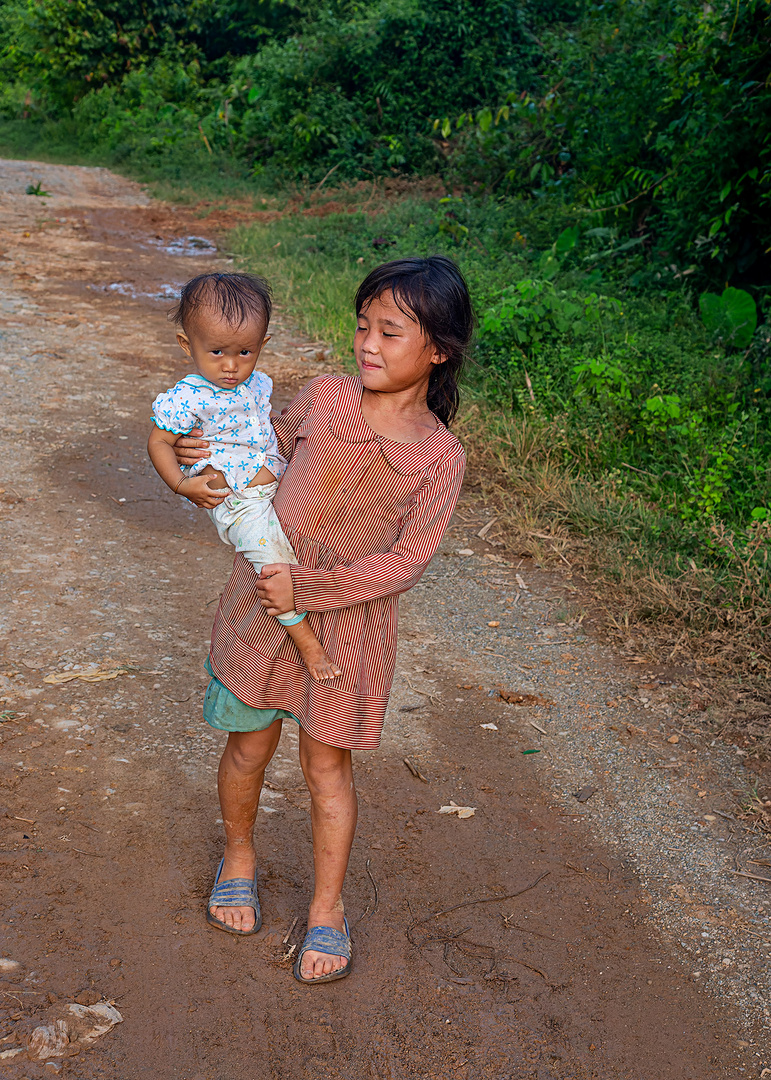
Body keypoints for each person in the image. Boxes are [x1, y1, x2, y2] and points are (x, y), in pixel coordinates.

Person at [174, 255, 473, 983]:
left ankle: (327, 909)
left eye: (390, 333)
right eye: (363, 327)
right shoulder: (326, 397)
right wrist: (199, 462)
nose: (367, 345)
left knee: (325, 768)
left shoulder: (439, 456)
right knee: (246, 746)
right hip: (260, 607)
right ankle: (238, 855)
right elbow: (266, 451)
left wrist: (310, 584)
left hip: (343, 631)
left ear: (437, 349)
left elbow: (406, 562)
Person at [147, 272, 340, 682]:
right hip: (240, 503)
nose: (231, 366)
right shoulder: (189, 396)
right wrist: (181, 485)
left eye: (245, 352)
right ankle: (306, 641)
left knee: (307, 546)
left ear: (261, 346)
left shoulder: (254, 383)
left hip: (272, 482)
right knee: (274, 565)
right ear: (187, 345)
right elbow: (158, 444)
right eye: (216, 351)